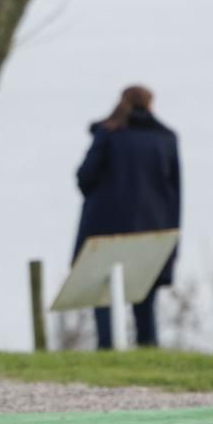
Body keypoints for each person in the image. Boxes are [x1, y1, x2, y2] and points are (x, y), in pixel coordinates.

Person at [73, 85, 181, 349]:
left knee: (103, 294)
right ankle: (147, 347)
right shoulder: (165, 139)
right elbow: (175, 191)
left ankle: (107, 349)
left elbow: (85, 177)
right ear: (150, 105)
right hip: (152, 228)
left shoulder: (108, 135)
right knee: (145, 295)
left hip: (105, 229)